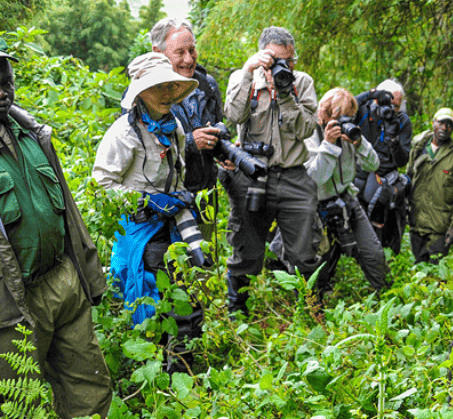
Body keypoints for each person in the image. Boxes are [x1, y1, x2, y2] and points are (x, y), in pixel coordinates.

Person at [0, 39, 112, 419]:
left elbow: (70, 214)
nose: (1, 91)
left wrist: (90, 276)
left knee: (89, 384)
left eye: (5, 78)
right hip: (11, 303)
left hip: (62, 278)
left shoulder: (32, 135)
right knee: (18, 408)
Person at [93, 52, 204, 373]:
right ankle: (150, 374)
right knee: (148, 300)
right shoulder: (123, 134)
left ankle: (182, 370)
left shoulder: (174, 127)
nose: (167, 95)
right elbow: (100, 184)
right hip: (140, 229)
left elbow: (177, 169)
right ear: (141, 92)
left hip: (173, 227)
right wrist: (145, 199)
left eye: (171, 87)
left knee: (185, 295)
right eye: (158, 88)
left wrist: (180, 195)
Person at [223, 26, 318, 315]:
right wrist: (248, 71)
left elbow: (306, 129)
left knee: (305, 251)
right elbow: (232, 116)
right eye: (276, 60)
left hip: (294, 175)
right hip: (254, 174)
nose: (284, 66)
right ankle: (237, 312)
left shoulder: (302, 82)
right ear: (262, 55)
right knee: (247, 250)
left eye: (289, 60)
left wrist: (286, 94)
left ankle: (310, 308)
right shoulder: (245, 79)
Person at [273, 88, 389, 294]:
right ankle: (313, 302)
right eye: (339, 118)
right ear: (324, 115)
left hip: (345, 198)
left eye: (348, 118)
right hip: (314, 204)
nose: (345, 123)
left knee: (373, 253)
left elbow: (373, 165)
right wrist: (328, 145)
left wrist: (360, 143)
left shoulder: (348, 132)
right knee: (315, 260)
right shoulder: (308, 133)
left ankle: (386, 294)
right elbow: (314, 180)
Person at [149, 18, 226, 196]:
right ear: (157, 52)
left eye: (192, 50)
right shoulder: (145, 93)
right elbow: (144, 153)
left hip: (205, 195)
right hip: (166, 199)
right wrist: (190, 142)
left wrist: (224, 152)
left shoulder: (207, 85)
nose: (189, 59)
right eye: (180, 52)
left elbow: (215, 131)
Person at [353, 79, 413, 253]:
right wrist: (370, 95)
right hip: (360, 171)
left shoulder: (402, 120)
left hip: (386, 175)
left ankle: (383, 249)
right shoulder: (363, 111)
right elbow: (340, 109)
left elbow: (402, 161)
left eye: (397, 106)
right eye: (389, 103)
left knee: (387, 196)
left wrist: (394, 140)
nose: (392, 110)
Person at [407, 107, 453, 264]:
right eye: (441, 123)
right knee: (419, 269)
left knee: (436, 272)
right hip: (417, 224)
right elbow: (408, 178)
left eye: (449, 125)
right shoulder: (418, 148)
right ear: (433, 122)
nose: (444, 128)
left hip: (440, 228)